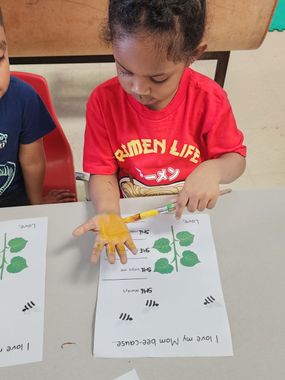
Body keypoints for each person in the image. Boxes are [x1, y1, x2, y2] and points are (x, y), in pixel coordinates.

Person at [73, 0, 246, 265]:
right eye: (124, 70)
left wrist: (214, 170)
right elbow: (102, 172)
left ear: (193, 55)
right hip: (130, 213)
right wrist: (108, 212)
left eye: (158, 78)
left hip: (187, 214)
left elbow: (236, 160)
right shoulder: (103, 101)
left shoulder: (209, 99)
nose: (138, 88)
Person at [0, 8, 76, 207]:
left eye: (0, 57)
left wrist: (36, 203)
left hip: (14, 200)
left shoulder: (24, 97)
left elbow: (32, 162)